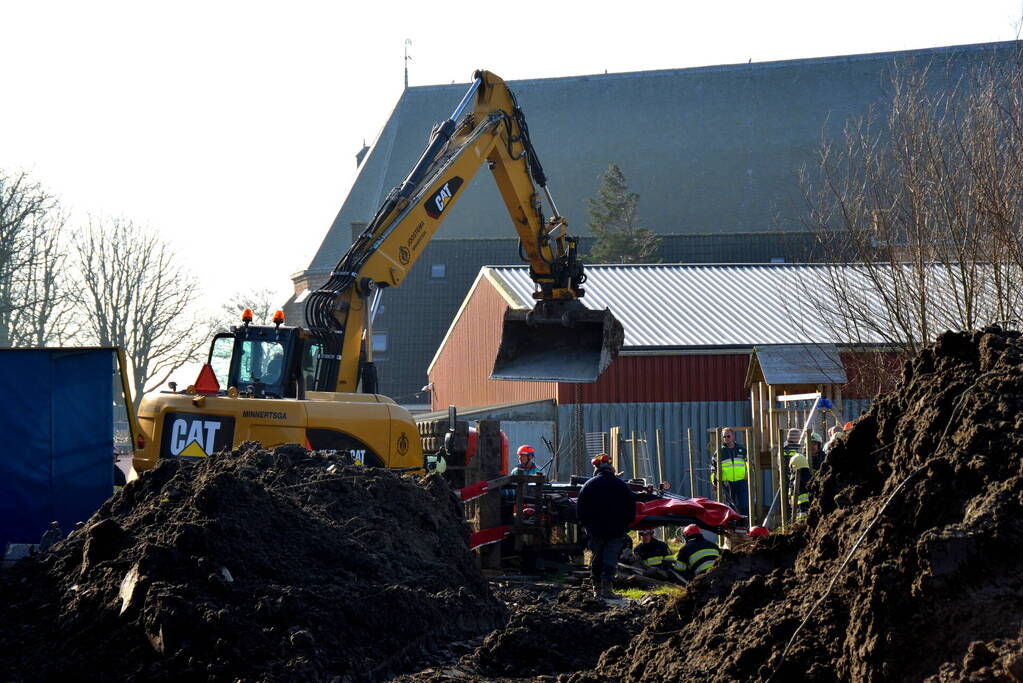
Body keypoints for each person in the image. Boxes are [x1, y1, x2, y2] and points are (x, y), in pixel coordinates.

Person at [576, 453, 637, 599]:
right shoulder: (622, 486)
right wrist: (625, 526)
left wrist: (587, 527)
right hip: (616, 531)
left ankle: (596, 590)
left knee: (596, 558)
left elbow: (580, 509)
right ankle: (607, 590)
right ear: (611, 468)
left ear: (596, 468)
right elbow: (631, 509)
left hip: (595, 531)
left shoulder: (588, 485)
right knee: (610, 560)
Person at [712, 428, 748, 517]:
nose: (726, 438)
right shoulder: (719, 452)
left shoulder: (742, 449)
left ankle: (745, 524)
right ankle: (733, 525)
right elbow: (713, 468)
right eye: (724, 437)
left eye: (728, 436)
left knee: (744, 505)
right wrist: (714, 481)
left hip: (741, 481)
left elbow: (749, 464)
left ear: (733, 436)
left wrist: (748, 475)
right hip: (727, 483)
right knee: (731, 506)